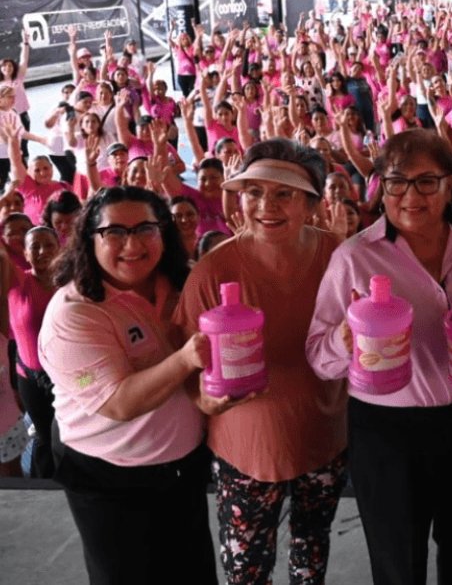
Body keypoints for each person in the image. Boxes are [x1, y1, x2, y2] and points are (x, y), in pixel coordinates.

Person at [307, 129, 452, 585]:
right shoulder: (354, 257)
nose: (410, 195)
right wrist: (346, 338)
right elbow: (318, 356)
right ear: (381, 186)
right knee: (398, 561)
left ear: (451, 185)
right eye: (396, 182)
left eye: (427, 181)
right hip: (387, 432)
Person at [175, 139, 347, 585]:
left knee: (312, 550)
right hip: (246, 447)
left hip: (323, 436)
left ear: (311, 203)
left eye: (283, 194)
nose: (266, 206)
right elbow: (187, 367)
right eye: (254, 192)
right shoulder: (212, 272)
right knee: (246, 568)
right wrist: (206, 402)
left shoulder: (339, 257)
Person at [37, 186, 217, 585]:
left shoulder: (179, 282)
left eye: (145, 229)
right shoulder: (73, 314)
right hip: (109, 483)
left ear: (163, 233)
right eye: (114, 232)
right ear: (90, 238)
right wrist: (186, 358)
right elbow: (118, 402)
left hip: (182, 473)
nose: (132, 244)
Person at [7, 225, 58, 477]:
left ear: (60, 249)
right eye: (34, 246)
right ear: (25, 254)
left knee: (71, 432)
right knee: (46, 433)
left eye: (48, 245)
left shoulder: (73, 284)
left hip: (73, 379)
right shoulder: (17, 281)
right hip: (31, 380)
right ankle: (43, 487)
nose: (42, 251)